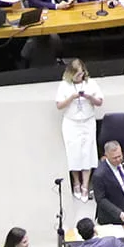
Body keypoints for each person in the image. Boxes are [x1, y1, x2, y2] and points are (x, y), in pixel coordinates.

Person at [54, 61, 102, 200]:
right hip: (71, 123)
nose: (79, 76)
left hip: (87, 122)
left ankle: (85, 186)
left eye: (81, 73)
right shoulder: (64, 85)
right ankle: (76, 182)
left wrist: (89, 96)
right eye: (76, 74)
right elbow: (59, 105)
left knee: (88, 151)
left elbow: (99, 102)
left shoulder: (90, 83)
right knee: (74, 153)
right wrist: (71, 98)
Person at [92, 141, 124, 226]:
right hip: (110, 219)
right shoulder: (99, 175)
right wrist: (118, 212)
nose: (118, 159)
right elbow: (101, 199)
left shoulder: (122, 163)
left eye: (120, 156)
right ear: (106, 156)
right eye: (114, 158)